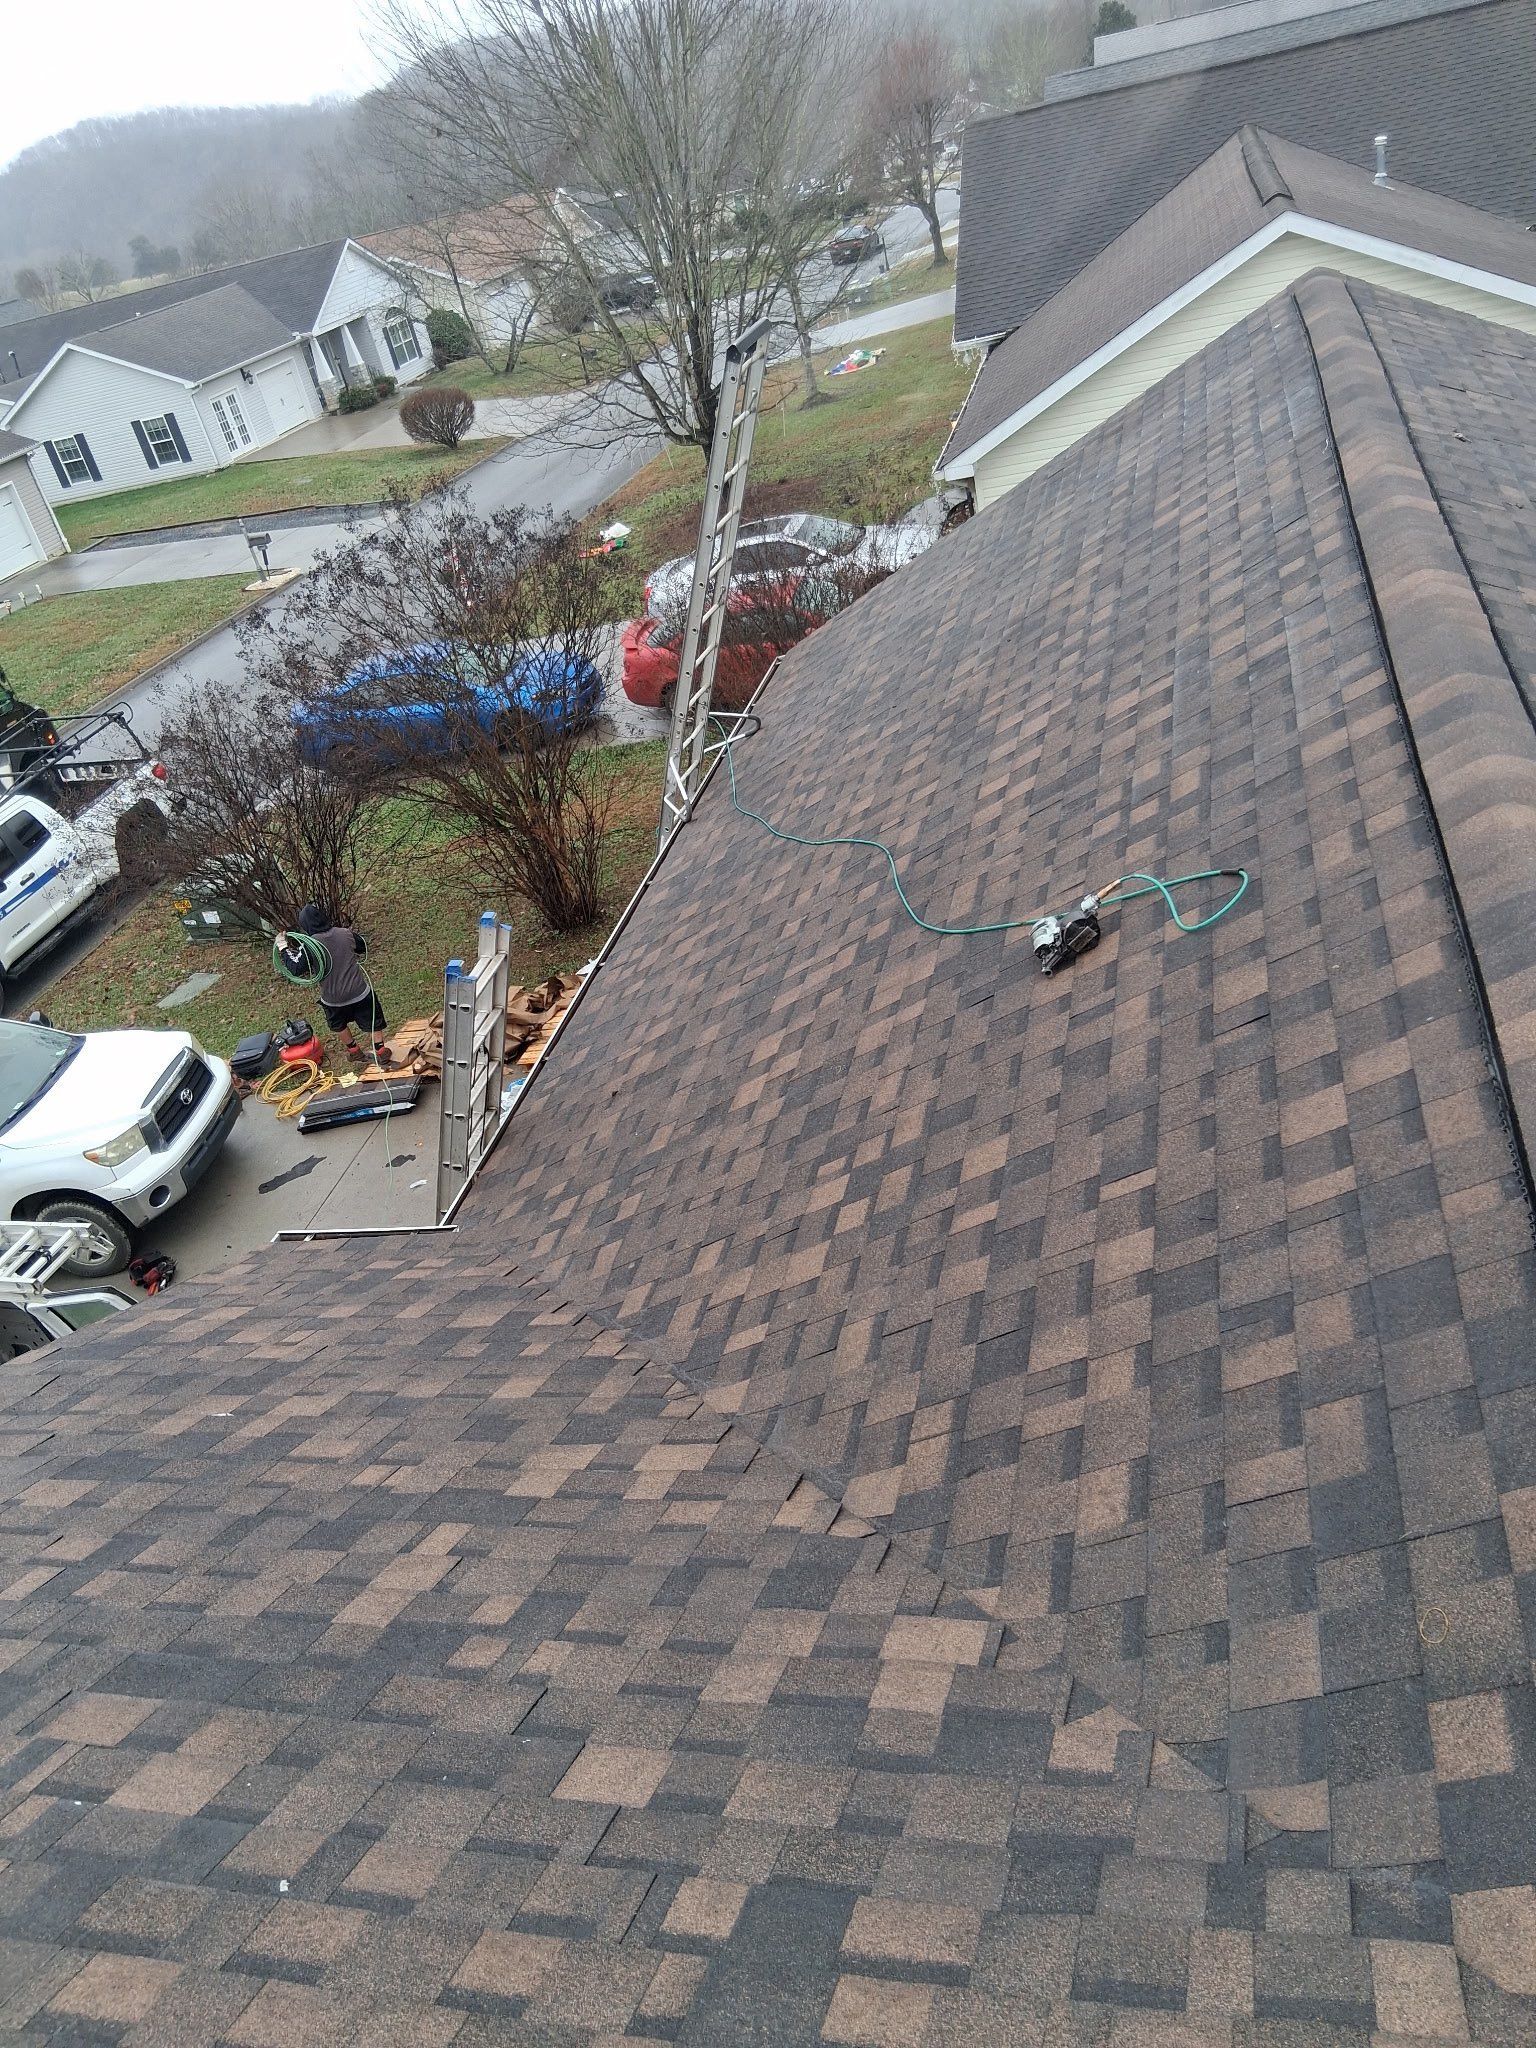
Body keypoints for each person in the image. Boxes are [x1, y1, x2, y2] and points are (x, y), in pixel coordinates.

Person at [295, 904, 389, 1065]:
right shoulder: (345, 933)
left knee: (339, 1024)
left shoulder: (310, 946)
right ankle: (381, 1051)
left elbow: (296, 968)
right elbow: (361, 946)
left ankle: (354, 1051)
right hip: (359, 992)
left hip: (332, 999)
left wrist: (283, 947)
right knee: (373, 1019)